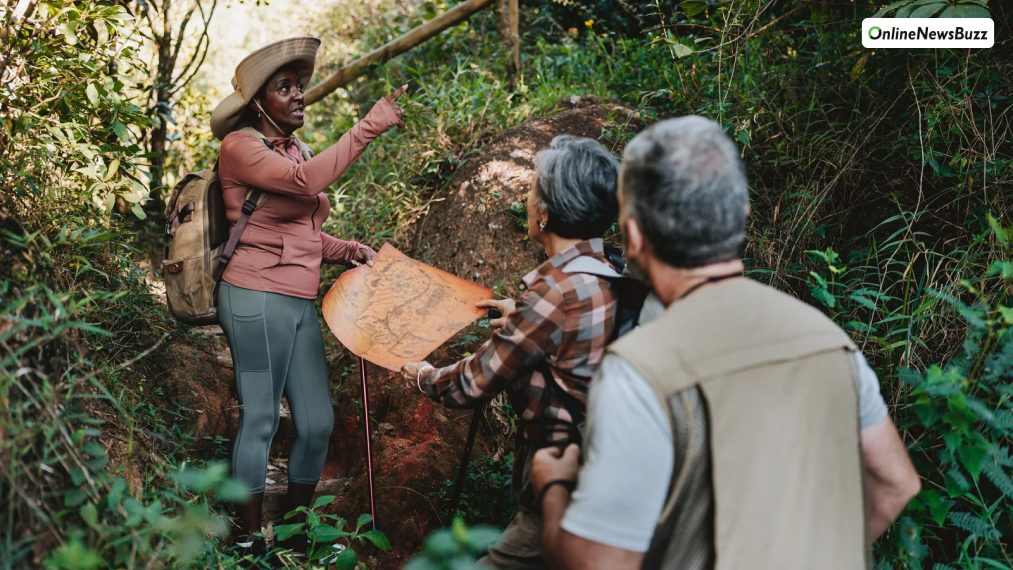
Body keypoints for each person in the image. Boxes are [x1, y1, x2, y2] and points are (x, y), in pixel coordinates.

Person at [530, 116, 922, 570]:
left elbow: (600, 564)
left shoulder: (639, 370)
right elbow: (895, 485)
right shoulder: (832, 343)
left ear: (634, 237)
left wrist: (554, 486)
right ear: (741, 215)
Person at [208, 36, 406, 559]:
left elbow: (303, 232)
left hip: (298, 300)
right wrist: (368, 126)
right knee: (261, 418)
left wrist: (350, 250)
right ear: (258, 102)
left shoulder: (296, 148)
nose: (299, 94)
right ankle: (247, 539)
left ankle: (297, 536)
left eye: (300, 85)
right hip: (253, 294)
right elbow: (303, 184)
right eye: (284, 87)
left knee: (317, 423)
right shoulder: (241, 147)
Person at [400, 135, 622, 570]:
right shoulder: (608, 270)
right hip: (599, 471)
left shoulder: (555, 290)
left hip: (558, 486)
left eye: (532, 191)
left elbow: (472, 383)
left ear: (546, 212)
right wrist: (522, 316)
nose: (527, 200)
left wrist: (424, 375)